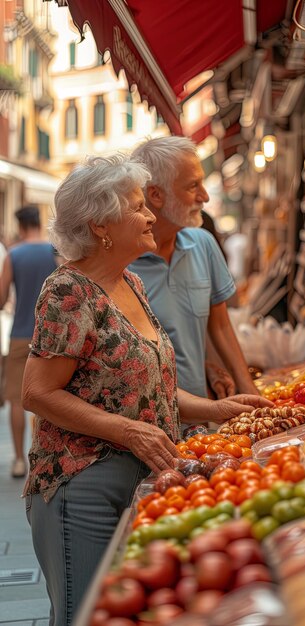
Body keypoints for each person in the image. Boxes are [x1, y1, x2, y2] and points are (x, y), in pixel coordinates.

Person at [21, 154, 272, 626]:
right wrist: (128, 431)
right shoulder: (68, 291)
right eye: (137, 207)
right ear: (100, 225)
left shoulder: (130, 282)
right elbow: (36, 393)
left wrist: (218, 409)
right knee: (87, 614)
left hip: (144, 478)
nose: (151, 216)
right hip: (83, 486)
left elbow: (150, 390)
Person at [129, 136, 259, 402]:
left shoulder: (203, 243)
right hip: (151, 421)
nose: (205, 196)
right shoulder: (123, 265)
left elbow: (220, 327)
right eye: (193, 186)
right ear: (156, 194)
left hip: (202, 418)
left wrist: (249, 390)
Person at [0, 205, 57, 478]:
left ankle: (19, 460)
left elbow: (1, 299)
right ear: (39, 222)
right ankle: (44, 457)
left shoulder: (13, 254)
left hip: (20, 334)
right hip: (50, 334)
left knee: (14, 399)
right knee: (50, 396)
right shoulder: (53, 252)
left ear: (21, 226)